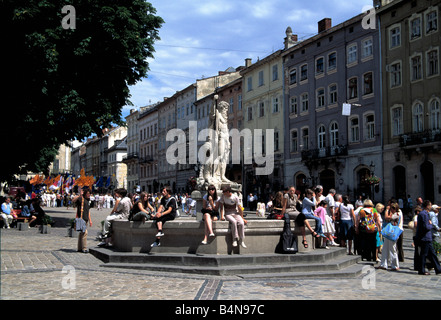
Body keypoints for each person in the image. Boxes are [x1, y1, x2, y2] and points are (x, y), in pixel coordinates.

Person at [414, 200, 441, 275]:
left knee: (432, 254)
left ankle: (438, 269)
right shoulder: (424, 214)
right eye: (430, 205)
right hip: (425, 238)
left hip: (426, 238)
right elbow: (426, 227)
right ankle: (421, 270)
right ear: (427, 206)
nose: (431, 206)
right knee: (424, 254)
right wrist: (431, 224)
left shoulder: (424, 213)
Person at [378, 202, 401, 271]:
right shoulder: (394, 214)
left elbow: (386, 218)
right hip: (389, 233)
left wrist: (387, 210)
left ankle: (395, 265)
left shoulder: (396, 215)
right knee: (385, 248)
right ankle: (383, 264)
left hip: (392, 233)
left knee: (392, 249)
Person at [73, 188, 93, 253]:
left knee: (81, 234)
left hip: (85, 219)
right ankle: (84, 248)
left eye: (90, 193)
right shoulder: (81, 199)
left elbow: (88, 211)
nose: (89, 195)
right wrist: (79, 195)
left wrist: (90, 220)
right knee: (84, 233)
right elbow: (73, 200)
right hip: (81, 218)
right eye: (88, 193)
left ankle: (79, 248)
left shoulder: (87, 200)